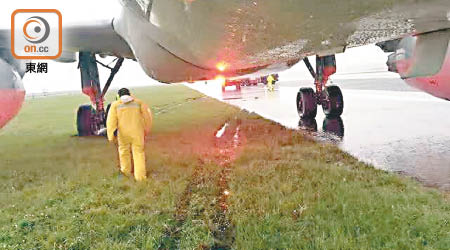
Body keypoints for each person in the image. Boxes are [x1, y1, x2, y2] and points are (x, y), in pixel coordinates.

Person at [107, 88, 152, 181]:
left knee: (124, 152)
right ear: (130, 94)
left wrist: (111, 135)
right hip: (137, 133)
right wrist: (146, 130)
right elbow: (147, 117)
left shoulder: (115, 105)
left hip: (123, 134)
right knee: (139, 153)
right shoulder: (139, 103)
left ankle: (126, 172)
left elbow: (111, 121)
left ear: (118, 95)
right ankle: (140, 177)